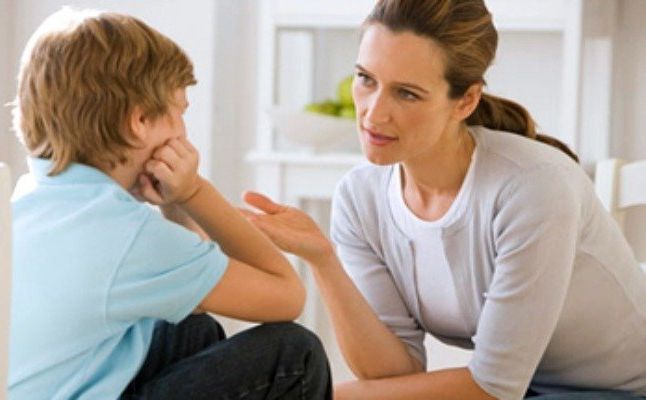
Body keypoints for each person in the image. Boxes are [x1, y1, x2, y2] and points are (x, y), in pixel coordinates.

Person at [241, 0, 646, 399]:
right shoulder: (360, 197)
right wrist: (323, 261)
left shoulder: (532, 186)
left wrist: (327, 395)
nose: (374, 114)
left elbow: (492, 388)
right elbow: (395, 372)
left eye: (407, 94)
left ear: (466, 100)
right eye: (366, 79)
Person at [9, 8, 332, 400]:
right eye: (179, 112)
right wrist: (192, 192)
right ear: (140, 121)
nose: (182, 132)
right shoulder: (128, 235)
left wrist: (172, 207)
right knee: (295, 355)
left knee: (189, 329)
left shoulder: (30, 199)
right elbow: (287, 296)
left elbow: (192, 296)